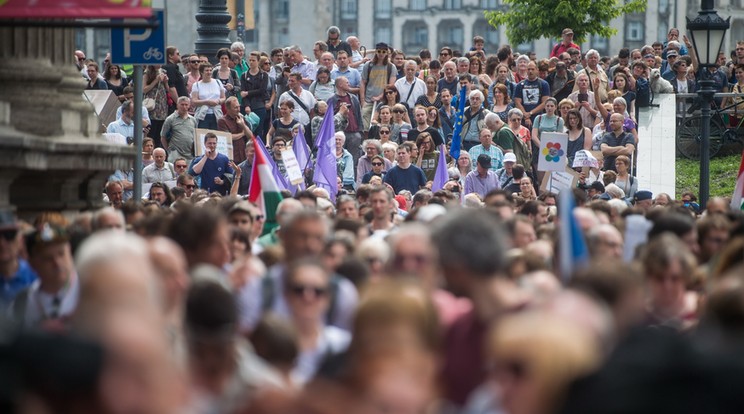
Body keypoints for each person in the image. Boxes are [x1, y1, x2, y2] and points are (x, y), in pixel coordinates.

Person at [10, 224, 78, 328]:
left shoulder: (91, 290)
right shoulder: (23, 302)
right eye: (48, 258)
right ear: (32, 263)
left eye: (61, 254)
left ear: (70, 252)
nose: (57, 263)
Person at [360, 43, 398, 130]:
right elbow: (363, 82)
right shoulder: (368, 65)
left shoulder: (391, 67)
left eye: (383, 51)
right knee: (365, 123)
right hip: (369, 100)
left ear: (387, 53)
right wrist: (363, 100)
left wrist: (380, 96)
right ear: (376, 52)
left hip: (385, 101)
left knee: (383, 125)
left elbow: (391, 85)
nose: (381, 53)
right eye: (379, 51)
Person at [513, 61, 551, 128]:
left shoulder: (544, 84)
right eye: (529, 69)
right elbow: (517, 102)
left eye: (532, 69)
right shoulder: (519, 85)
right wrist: (525, 115)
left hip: (539, 118)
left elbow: (545, 102)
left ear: (537, 70)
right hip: (523, 119)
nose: (530, 71)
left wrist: (530, 113)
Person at [218, 96, 254, 165]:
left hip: (243, 155)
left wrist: (243, 125)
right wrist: (242, 133)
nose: (238, 109)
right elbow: (228, 137)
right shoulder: (222, 121)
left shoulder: (241, 118)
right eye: (235, 108)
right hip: (232, 155)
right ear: (228, 109)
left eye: (239, 107)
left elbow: (251, 137)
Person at [161, 96, 197, 164]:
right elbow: (163, 137)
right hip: (175, 152)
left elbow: (195, 137)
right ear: (177, 105)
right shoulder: (170, 119)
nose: (184, 107)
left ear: (189, 105)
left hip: (189, 154)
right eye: (182, 104)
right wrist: (169, 151)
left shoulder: (193, 120)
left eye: (186, 105)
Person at [191, 62, 226, 130]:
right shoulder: (196, 85)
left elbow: (223, 97)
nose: (209, 72)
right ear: (201, 72)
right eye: (207, 70)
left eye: (210, 70)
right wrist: (207, 102)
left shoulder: (218, 82)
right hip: (203, 115)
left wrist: (218, 101)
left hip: (216, 114)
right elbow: (194, 101)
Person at [142, 65, 170, 147]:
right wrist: (156, 80)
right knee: (152, 132)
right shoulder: (147, 73)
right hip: (152, 107)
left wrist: (166, 82)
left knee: (160, 134)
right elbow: (144, 89)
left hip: (162, 107)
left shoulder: (163, 71)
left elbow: (167, 89)